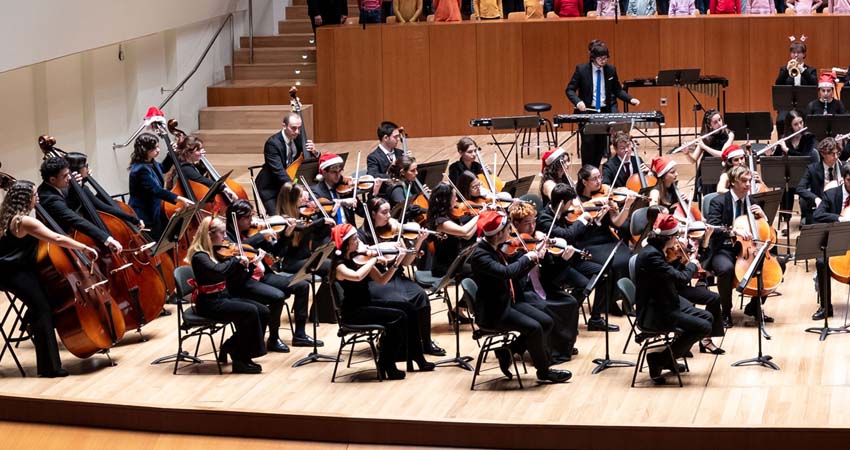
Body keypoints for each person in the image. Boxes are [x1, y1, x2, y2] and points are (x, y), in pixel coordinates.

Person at [0, 180, 101, 377]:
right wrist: (83, 247)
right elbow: (57, 238)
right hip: (14, 273)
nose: (37, 197)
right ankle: (49, 368)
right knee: (42, 309)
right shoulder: (24, 221)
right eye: (34, 194)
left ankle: (31, 325)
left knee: (45, 302)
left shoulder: (7, 217)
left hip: (13, 271)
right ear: (25, 199)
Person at [468, 210, 572, 383]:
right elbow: (507, 273)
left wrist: (534, 258)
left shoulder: (496, 248)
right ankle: (544, 372)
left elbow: (515, 274)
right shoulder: (481, 255)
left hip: (508, 302)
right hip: (494, 311)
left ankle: (508, 350)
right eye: (507, 230)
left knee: (547, 322)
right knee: (534, 328)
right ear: (498, 234)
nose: (510, 233)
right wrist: (528, 257)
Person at [331, 223, 433, 380]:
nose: (359, 240)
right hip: (354, 312)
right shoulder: (340, 266)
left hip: (367, 304)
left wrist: (396, 262)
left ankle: (417, 357)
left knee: (409, 308)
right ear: (346, 244)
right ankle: (387, 363)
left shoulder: (359, 259)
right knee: (398, 317)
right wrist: (373, 259)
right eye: (355, 238)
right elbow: (357, 276)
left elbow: (382, 280)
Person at [224, 200, 319, 352]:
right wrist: (260, 236)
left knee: (302, 285)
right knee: (277, 296)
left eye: (251, 216)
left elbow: (276, 252)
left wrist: (286, 236)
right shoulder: (227, 236)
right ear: (236, 218)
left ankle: (300, 335)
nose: (252, 221)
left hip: (262, 276)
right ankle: (273, 338)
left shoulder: (250, 232)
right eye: (248, 217)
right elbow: (237, 249)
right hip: (244, 282)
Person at [358, 197, 446, 356]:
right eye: (384, 212)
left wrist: (418, 242)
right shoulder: (361, 236)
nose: (389, 216)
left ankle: (426, 342)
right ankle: (395, 341)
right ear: (372, 214)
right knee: (401, 301)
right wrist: (380, 248)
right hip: (375, 281)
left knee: (421, 295)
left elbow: (406, 262)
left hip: (396, 276)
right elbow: (361, 260)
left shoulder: (394, 231)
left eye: (389, 212)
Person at [635, 214, 713, 385]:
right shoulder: (652, 256)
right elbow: (681, 278)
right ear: (668, 238)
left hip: (666, 300)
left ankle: (670, 357)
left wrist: (681, 259)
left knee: (708, 318)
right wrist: (691, 264)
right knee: (704, 326)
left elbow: (668, 274)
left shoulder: (656, 249)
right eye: (676, 236)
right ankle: (659, 359)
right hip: (655, 311)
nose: (677, 239)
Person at [186, 216, 269, 374]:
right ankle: (240, 359)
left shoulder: (217, 252)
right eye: (222, 233)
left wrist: (251, 265)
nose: (225, 237)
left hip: (223, 296)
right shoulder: (200, 256)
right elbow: (219, 271)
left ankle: (232, 345)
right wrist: (236, 260)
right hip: (209, 303)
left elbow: (235, 278)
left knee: (263, 311)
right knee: (249, 311)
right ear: (210, 234)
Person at [536, 183, 619, 330]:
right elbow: (567, 235)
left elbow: (578, 235)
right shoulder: (545, 218)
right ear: (562, 203)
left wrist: (595, 220)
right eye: (570, 202)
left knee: (604, 273)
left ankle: (595, 319)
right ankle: (564, 318)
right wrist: (582, 220)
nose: (572, 206)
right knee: (584, 285)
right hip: (557, 265)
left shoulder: (565, 213)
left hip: (573, 259)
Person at [508, 201, 580, 362]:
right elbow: (515, 275)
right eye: (527, 223)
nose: (532, 227)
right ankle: (549, 350)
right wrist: (531, 258)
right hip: (523, 291)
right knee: (545, 308)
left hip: (542, 286)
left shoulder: (538, 241)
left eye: (534, 222)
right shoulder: (511, 246)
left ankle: (564, 345)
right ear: (515, 224)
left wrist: (563, 260)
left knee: (570, 302)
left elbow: (552, 276)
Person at [706, 166, 772, 327]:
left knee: (777, 266)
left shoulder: (753, 202)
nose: (748, 184)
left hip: (749, 249)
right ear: (732, 182)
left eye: (749, 180)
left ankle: (754, 307)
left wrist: (764, 217)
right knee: (726, 269)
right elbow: (713, 228)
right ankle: (726, 311)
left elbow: (766, 232)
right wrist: (732, 231)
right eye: (744, 181)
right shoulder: (718, 202)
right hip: (723, 248)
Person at [566, 40, 640, 168]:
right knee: (588, 143)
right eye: (601, 58)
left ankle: (595, 170)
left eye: (606, 58)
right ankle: (586, 171)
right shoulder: (582, 70)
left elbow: (617, 90)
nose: (604, 61)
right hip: (587, 112)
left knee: (601, 145)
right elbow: (570, 90)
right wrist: (578, 102)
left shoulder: (610, 70)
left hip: (604, 112)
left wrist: (630, 99)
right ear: (593, 57)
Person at [37, 157, 123, 254]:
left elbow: (71, 205)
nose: (69, 178)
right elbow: (75, 219)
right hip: (60, 245)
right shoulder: (48, 197)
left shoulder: (59, 185)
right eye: (65, 176)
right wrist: (106, 239)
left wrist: (78, 187)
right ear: (52, 179)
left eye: (69, 173)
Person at [128, 133, 194, 240]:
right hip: (144, 214)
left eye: (158, 146)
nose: (158, 150)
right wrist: (179, 198)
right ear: (145, 150)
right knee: (154, 241)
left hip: (154, 210)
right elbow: (156, 190)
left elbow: (163, 168)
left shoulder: (151, 162)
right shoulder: (140, 169)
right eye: (154, 148)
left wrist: (171, 154)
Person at [255, 113, 318, 214]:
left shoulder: (298, 138)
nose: (297, 132)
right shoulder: (272, 144)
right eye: (293, 128)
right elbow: (279, 172)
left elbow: (307, 161)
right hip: (272, 187)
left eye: (299, 128)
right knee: (279, 219)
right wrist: (298, 189)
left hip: (290, 182)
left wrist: (315, 153)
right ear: (284, 126)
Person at [811, 162, 850, 320]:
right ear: (843, 179)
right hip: (835, 241)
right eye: (849, 180)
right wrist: (839, 218)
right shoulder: (831, 194)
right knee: (821, 262)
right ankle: (826, 307)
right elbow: (817, 215)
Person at [425, 182, 479, 278]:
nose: (457, 199)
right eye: (454, 197)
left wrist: (480, 218)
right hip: (445, 267)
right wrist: (479, 216)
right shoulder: (440, 222)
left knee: (480, 268)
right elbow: (464, 231)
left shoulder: (450, 215)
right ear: (446, 199)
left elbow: (467, 236)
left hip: (455, 262)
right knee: (479, 272)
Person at [163, 134, 238, 203]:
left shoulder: (189, 165)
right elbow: (202, 180)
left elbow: (199, 174)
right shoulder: (185, 168)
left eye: (201, 149)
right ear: (188, 152)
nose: (201, 152)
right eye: (198, 150)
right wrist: (224, 189)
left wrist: (202, 163)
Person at [798, 138, 842, 225]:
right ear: (823, 154)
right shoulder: (812, 169)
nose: (836, 157)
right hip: (820, 211)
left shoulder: (843, 167)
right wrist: (816, 199)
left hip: (839, 209)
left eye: (837, 153)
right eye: (832, 154)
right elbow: (800, 188)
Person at [311, 153, 362, 226]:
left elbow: (362, 212)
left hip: (350, 230)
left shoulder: (346, 189)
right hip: (331, 231)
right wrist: (341, 202)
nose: (338, 175)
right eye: (334, 172)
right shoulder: (316, 192)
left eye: (340, 171)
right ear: (324, 173)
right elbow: (317, 220)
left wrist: (373, 193)